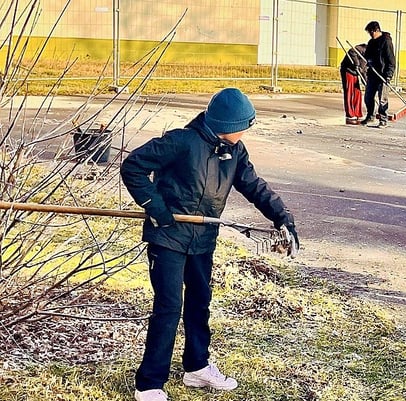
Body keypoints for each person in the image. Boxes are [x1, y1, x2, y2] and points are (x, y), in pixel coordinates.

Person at [121, 88, 300, 401]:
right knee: (169, 306)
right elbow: (133, 166)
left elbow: (256, 188)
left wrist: (283, 219)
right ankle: (148, 384)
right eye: (244, 124)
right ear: (228, 126)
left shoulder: (235, 152)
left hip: (203, 239)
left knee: (199, 300)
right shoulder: (182, 142)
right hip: (168, 237)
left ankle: (197, 367)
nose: (246, 130)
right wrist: (157, 208)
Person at [361, 21, 395, 128]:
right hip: (372, 74)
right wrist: (369, 61)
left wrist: (388, 75)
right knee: (368, 97)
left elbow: (391, 60)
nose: (370, 34)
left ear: (377, 30)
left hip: (383, 75)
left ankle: (383, 119)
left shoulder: (386, 41)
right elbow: (367, 55)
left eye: (371, 32)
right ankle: (370, 116)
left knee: (382, 98)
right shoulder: (371, 42)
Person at [341, 44, 367, 125]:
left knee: (357, 92)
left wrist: (366, 83)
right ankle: (350, 114)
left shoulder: (371, 56)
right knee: (349, 92)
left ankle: (358, 112)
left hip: (356, 73)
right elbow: (352, 51)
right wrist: (356, 63)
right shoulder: (363, 48)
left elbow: (364, 71)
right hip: (347, 70)